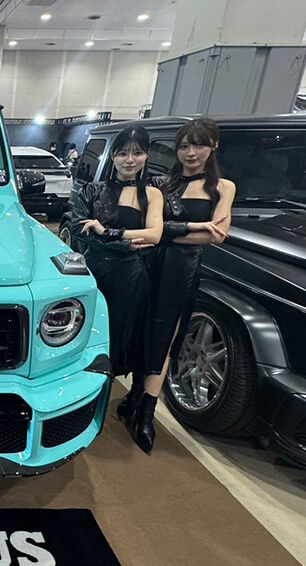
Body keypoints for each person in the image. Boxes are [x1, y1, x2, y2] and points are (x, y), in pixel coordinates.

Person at [129, 117, 236, 453]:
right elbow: (150, 227)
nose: (191, 153)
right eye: (185, 146)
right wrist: (180, 231)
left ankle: (146, 412)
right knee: (140, 330)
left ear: (213, 146)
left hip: (181, 270)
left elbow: (216, 235)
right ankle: (134, 395)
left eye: (199, 145)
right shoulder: (162, 183)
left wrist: (164, 233)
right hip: (147, 264)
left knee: (166, 336)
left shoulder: (223, 187)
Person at [70, 126, 163, 393]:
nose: (129, 160)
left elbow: (155, 234)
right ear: (113, 157)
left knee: (125, 335)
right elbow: (78, 229)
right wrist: (127, 242)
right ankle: (87, 393)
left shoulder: (152, 194)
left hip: (131, 277)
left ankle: (122, 394)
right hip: (96, 272)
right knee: (89, 332)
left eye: (137, 153)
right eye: (123, 153)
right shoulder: (92, 190)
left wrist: (107, 232)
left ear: (146, 156)